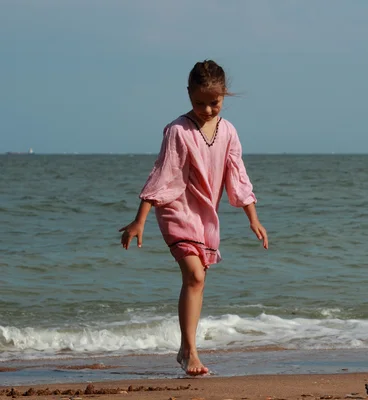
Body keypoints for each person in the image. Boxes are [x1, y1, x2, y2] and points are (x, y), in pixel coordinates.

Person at [119, 60, 268, 376]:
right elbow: (163, 174)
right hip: (175, 209)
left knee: (197, 279)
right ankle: (191, 352)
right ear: (188, 94)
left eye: (214, 102)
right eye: (199, 102)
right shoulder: (178, 131)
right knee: (195, 276)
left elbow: (237, 176)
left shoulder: (228, 131)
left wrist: (252, 217)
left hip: (203, 215)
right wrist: (140, 219)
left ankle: (186, 348)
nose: (207, 110)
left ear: (224, 96)